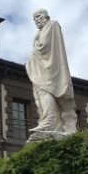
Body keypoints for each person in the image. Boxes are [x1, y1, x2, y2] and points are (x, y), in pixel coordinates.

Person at [25, 9, 77, 137]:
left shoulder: (52, 24)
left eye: (38, 16)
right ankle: (48, 121)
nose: (36, 20)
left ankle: (50, 121)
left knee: (46, 91)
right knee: (41, 93)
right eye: (34, 19)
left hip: (50, 68)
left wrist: (34, 53)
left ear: (46, 16)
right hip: (41, 67)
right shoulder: (40, 31)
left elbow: (44, 46)